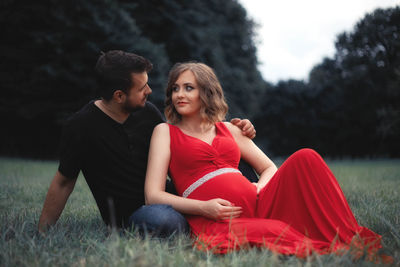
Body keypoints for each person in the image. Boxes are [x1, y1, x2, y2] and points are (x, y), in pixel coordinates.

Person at [144, 62, 383, 257]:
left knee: (306, 157)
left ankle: (345, 233)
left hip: (261, 205)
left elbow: (269, 167)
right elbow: (153, 195)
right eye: (175, 88)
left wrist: (258, 187)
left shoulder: (232, 129)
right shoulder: (165, 132)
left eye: (188, 88)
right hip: (213, 219)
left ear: (205, 92)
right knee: (278, 231)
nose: (179, 95)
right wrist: (204, 207)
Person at [38, 51, 257, 236]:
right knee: (166, 222)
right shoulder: (81, 127)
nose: (149, 91)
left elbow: (183, 141)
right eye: (142, 87)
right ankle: (205, 223)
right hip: (133, 212)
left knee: (239, 168)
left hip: (170, 196)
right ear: (119, 96)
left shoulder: (147, 112)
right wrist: (42, 233)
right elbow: (63, 182)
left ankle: (230, 216)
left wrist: (233, 131)